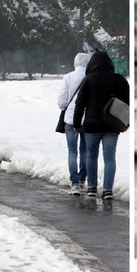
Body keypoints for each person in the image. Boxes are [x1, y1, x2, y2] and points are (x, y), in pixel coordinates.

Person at [73, 50, 129, 200]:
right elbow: (127, 104)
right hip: (112, 124)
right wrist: (125, 122)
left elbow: (80, 104)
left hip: (91, 125)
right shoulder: (119, 80)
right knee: (110, 157)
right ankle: (107, 190)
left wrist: (76, 123)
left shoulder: (88, 79)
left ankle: (91, 188)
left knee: (91, 155)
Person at [58, 53, 91, 196]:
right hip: (87, 119)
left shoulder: (68, 77)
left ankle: (75, 183)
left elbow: (61, 101)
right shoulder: (90, 77)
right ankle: (83, 180)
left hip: (70, 120)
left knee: (72, 152)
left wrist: (67, 108)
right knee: (85, 151)